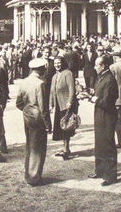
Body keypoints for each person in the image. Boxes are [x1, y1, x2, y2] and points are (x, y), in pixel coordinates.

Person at [16, 58, 52, 186]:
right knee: (38, 147)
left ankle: (28, 173)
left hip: (27, 117)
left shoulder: (24, 82)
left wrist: (27, 110)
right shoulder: (40, 84)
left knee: (30, 145)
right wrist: (48, 124)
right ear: (42, 69)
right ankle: (34, 177)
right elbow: (43, 107)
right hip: (38, 119)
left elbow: (18, 103)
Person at [88, 55, 119, 186]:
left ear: (103, 66)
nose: (95, 68)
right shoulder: (102, 77)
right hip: (100, 113)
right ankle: (100, 170)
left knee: (108, 144)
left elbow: (107, 101)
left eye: (97, 65)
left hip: (107, 115)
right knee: (99, 142)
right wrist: (90, 95)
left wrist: (95, 99)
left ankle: (110, 175)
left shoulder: (110, 79)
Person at [50, 56, 77, 160]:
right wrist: (51, 104)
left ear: (63, 63)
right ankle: (65, 148)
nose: (57, 65)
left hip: (66, 105)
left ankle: (66, 149)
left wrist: (70, 101)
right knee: (61, 127)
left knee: (66, 127)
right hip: (58, 105)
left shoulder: (68, 73)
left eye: (59, 63)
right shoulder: (55, 76)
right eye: (55, 63)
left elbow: (72, 89)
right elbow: (52, 92)